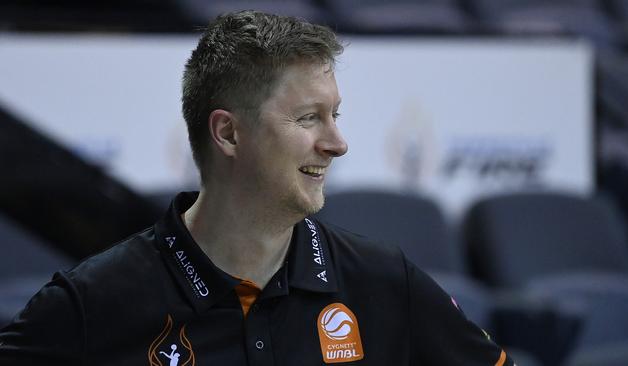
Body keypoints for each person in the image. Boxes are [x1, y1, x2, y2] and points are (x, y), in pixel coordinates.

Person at [0, 10, 515, 365]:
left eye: (334, 115)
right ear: (228, 133)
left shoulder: (383, 282)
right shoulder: (90, 304)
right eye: (309, 118)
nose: (338, 143)